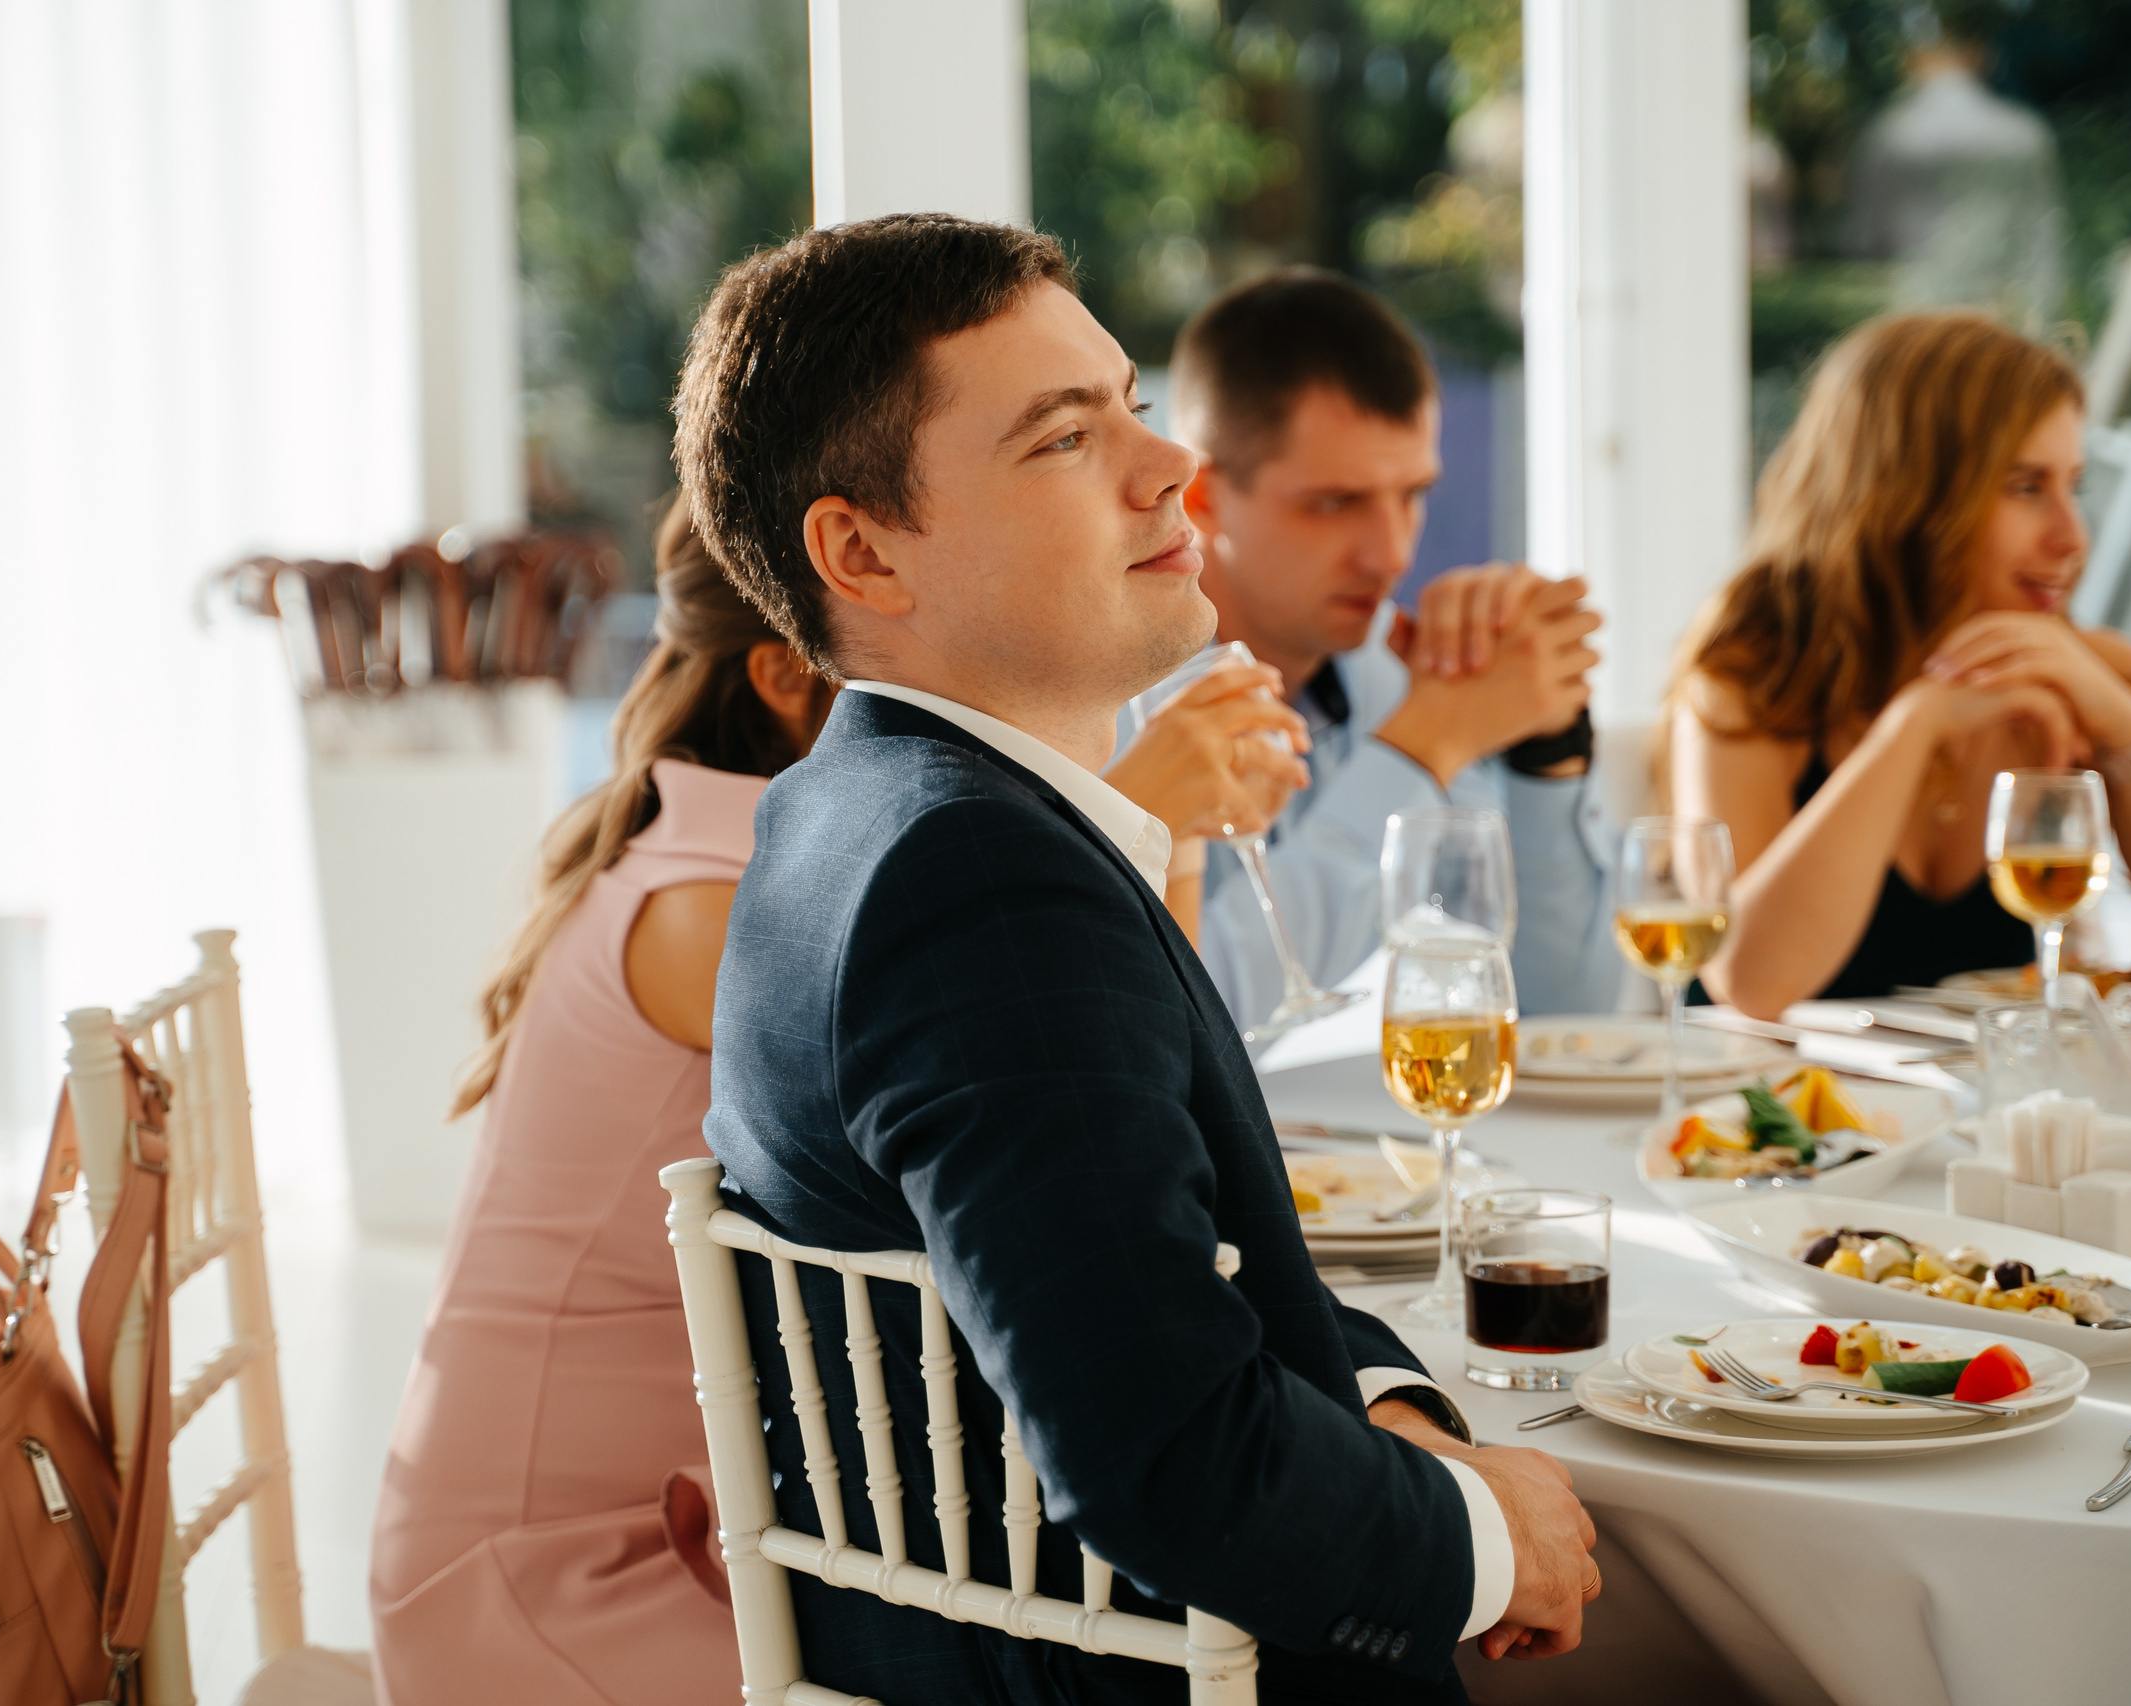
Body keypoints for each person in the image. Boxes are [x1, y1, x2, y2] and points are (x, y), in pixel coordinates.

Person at [675, 213, 1601, 1704]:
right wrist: (1487, 1538)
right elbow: (1169, 1456)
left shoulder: (847, 813)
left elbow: (1162, 1263)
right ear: (861, 549)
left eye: (1135, 409)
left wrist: (1394, 1409)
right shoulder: (975, 885)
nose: (1171, 471)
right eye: (1060, 439)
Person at [367, 497, 835, 1704]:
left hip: (688, 1524)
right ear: (786, 678)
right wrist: (1130, 827)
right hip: (546, 1586)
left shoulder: (736, 865)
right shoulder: (717, 909)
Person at [1665, 310, 2131, 1016]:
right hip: (1767, 1113)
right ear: (1906, 495)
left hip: (1979, 1121)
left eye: (2072, 486)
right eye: (2026, 487)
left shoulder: (2101, 679)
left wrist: (2126, 730)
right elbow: (1751, 982)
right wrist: (1912, 727)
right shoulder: (1752, 674)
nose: (2071, 537)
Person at [1106, 269, 1619, 1031]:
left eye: (1411, 494)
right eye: (1335, 503)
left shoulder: (1403, 666)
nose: (1391, 555)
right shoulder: (1113, 704)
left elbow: (1567, 1007)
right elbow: (1196, 1014)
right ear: (1205, 498)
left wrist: (1547, 747)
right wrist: (1422, 747)